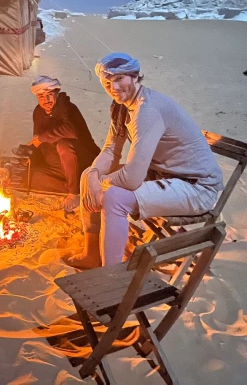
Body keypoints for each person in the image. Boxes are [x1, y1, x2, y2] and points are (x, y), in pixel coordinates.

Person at [65, 52, 224, 268]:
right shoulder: (121, 107)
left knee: (115, 199)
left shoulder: (147, 110)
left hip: (196, 187)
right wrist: (92, 175)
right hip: (164, 175)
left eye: (119, 78)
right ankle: (92, 253)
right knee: (88, 176)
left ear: (135, 76)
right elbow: (112, 149)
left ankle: (110, 275)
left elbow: (131, 179)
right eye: (107, 82)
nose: (114, 87)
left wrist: (98, 182)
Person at [23, 75, 100, 212]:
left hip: (81, 164)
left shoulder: (66, 107)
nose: (46, 100)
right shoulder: (38, 112)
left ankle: (73, 193)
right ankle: (82, 187)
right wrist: (29, 154)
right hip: (59, 169)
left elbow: (70, 131)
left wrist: (42, 137)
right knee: (30, 178)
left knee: (63, 144)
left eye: (49, 95)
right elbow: (38, 140)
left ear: (57, 94)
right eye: (41, 96)